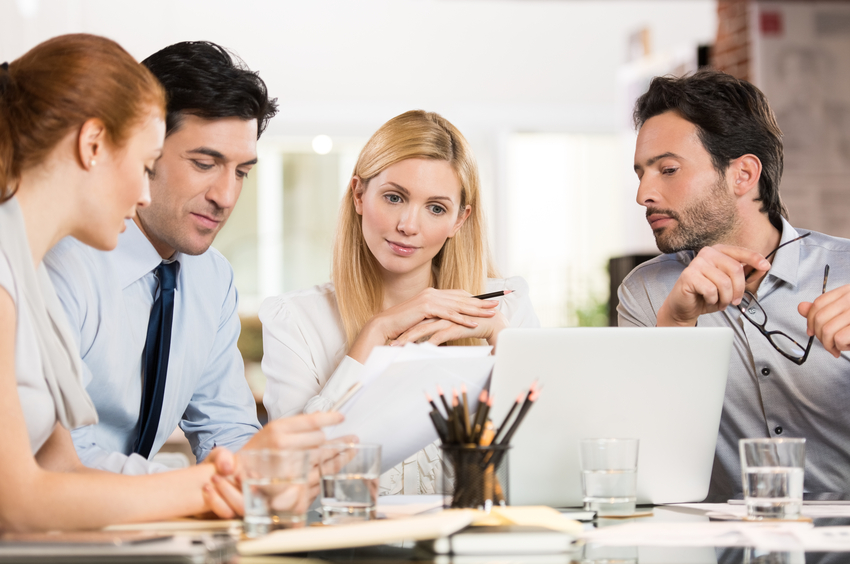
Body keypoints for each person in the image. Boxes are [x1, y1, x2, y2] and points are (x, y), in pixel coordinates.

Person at [44, 40, 343, 475]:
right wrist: (208, 484)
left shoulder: (211, 277)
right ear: (142, 149)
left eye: (242, 172)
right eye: (205, 163)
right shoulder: (61, 262)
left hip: (146, 525)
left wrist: (267, 480)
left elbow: (227, 429)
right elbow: (63, 460)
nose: (226, 196)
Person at [0, 32, 254, 531]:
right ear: (92, 144)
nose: (143, 193)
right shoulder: (29, 273)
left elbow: (61, 468)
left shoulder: (25, 277)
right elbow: (20, 501)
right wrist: (214, 483)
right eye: (143, 165)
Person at [260, 110, 540, 495]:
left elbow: (547, 461)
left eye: (436, 208)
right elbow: (291, 475)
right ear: (359, 195)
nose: (409, 224)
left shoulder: (505, 307)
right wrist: (371, 338)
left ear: (459, 220)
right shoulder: (294, 320)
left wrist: (503, 342)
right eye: (394, 197)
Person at [617, 69, 850, 497]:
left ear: (743, 174)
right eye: (640, 174)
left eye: (667, 169)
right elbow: (642, 459)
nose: (643, 194)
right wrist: (675, 322)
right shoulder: (646, 292)